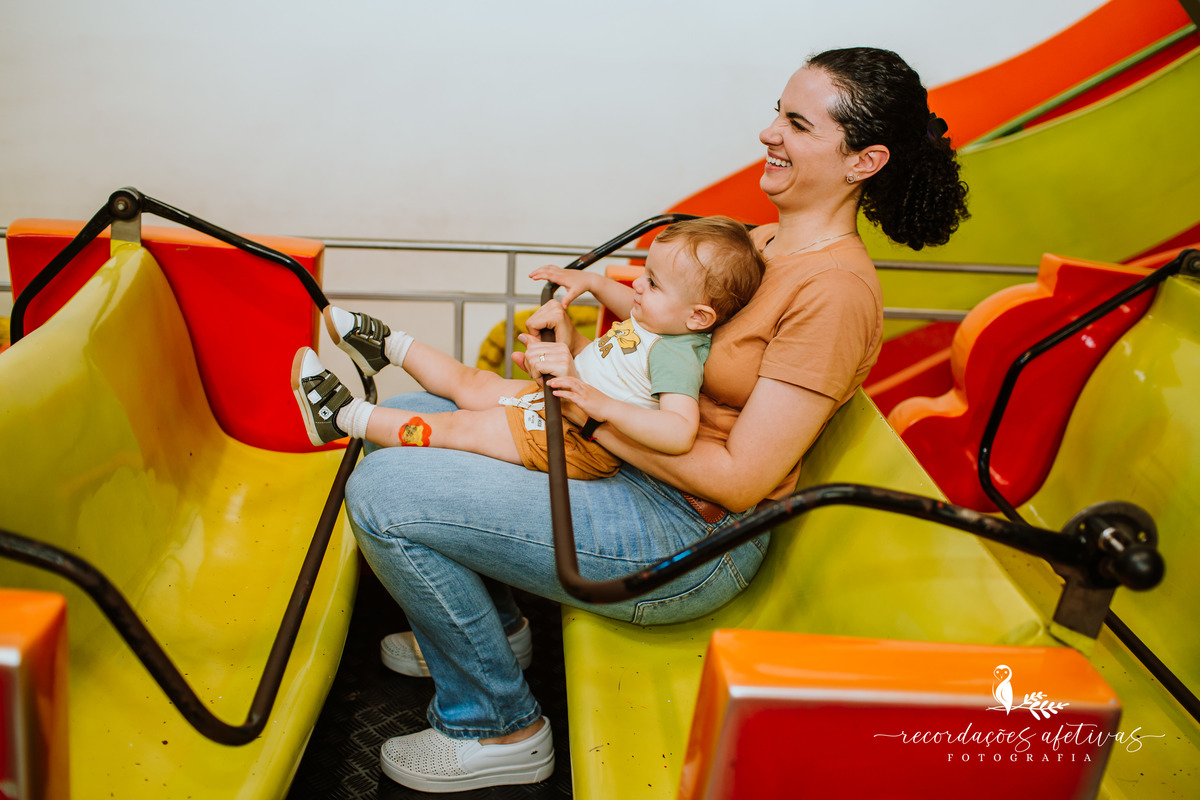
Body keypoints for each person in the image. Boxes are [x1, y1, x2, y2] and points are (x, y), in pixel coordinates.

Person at [344, 46, 969, 793]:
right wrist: (584, 350)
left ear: (864, 161)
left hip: (688, 537)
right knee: (403, 414)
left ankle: (497, 724)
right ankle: (495, 633)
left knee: (387, 491)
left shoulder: (836, 293)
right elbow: (664, 355)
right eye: (777, 110)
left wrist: (586, 412)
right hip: (636, 467)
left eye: (797, 124)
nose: (769, 132)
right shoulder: (763, 243)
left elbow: (742, 483)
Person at [290, 217, 765, 482]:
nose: (637, 286)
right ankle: (387, 345)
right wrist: (591, 281)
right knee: (473, 381)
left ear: (699, 317)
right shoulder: (663, 319)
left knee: (463, 426)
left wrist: (599, 404)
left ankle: (344, 418)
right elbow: (630, 299)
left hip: (576, 441)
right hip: (560, 406)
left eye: (654, 283)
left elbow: (679, 432)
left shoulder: (678, 354)